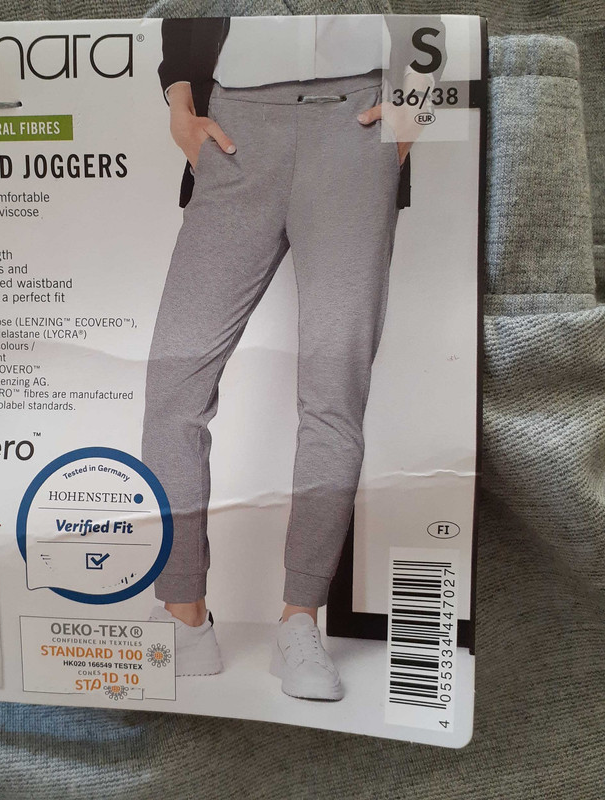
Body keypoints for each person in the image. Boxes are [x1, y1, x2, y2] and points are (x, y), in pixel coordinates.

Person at [143, 15, 444, 700]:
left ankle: (299, 621)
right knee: (173, 385)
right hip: (236, 128)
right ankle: (183, 615)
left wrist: (420, 101)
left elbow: (435, 15)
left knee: (334, 391)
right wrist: (180, 102)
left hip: (356, 124)